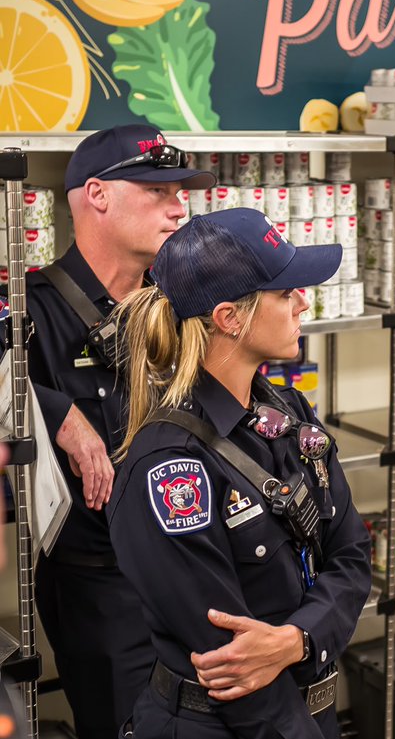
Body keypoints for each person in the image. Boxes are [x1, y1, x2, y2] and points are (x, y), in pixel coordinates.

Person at [107, 208, 371, 739]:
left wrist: (297, 638)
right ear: (230, 317)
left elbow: (352, 557)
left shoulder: (290, 413)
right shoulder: (171, 467)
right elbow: (234, 667)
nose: (303, 302)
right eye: (286, 292)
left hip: (308, 711)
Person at [25, 124, 214, 738]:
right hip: (101, 586)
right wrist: (54, 411)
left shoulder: (179, 300)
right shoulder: (30, 305)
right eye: (159, 189)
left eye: (182, 189)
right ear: (98, 196)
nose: (179, 204)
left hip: (194, 566)